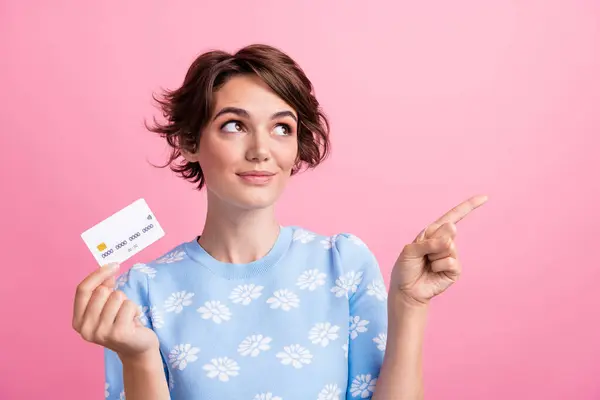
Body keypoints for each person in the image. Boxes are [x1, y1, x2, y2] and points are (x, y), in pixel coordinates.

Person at [71, 43, 487, 400]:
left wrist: (410, 306)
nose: (260, 150)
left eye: (282, 128)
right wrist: (138, 355)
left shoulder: (343, 263)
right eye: (234, 125)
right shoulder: (141, 291)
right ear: (190, 141)